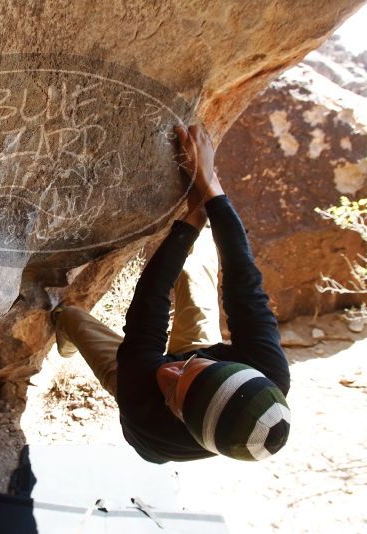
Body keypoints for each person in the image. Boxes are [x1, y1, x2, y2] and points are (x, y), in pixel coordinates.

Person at [50, 124, 291, 462]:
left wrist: (190, 220)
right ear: (230, 367)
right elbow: (243, 281)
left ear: (182, 419)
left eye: (174, 391)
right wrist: (209, 185)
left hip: (145, 409)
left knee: (71, 316)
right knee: (198, 258)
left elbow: (149, 303)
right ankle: (192, 373)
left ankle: (63, 335)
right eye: (192, 368)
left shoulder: (144, 404)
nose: (169, 369)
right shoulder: (267, 374)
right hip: (199, 361)